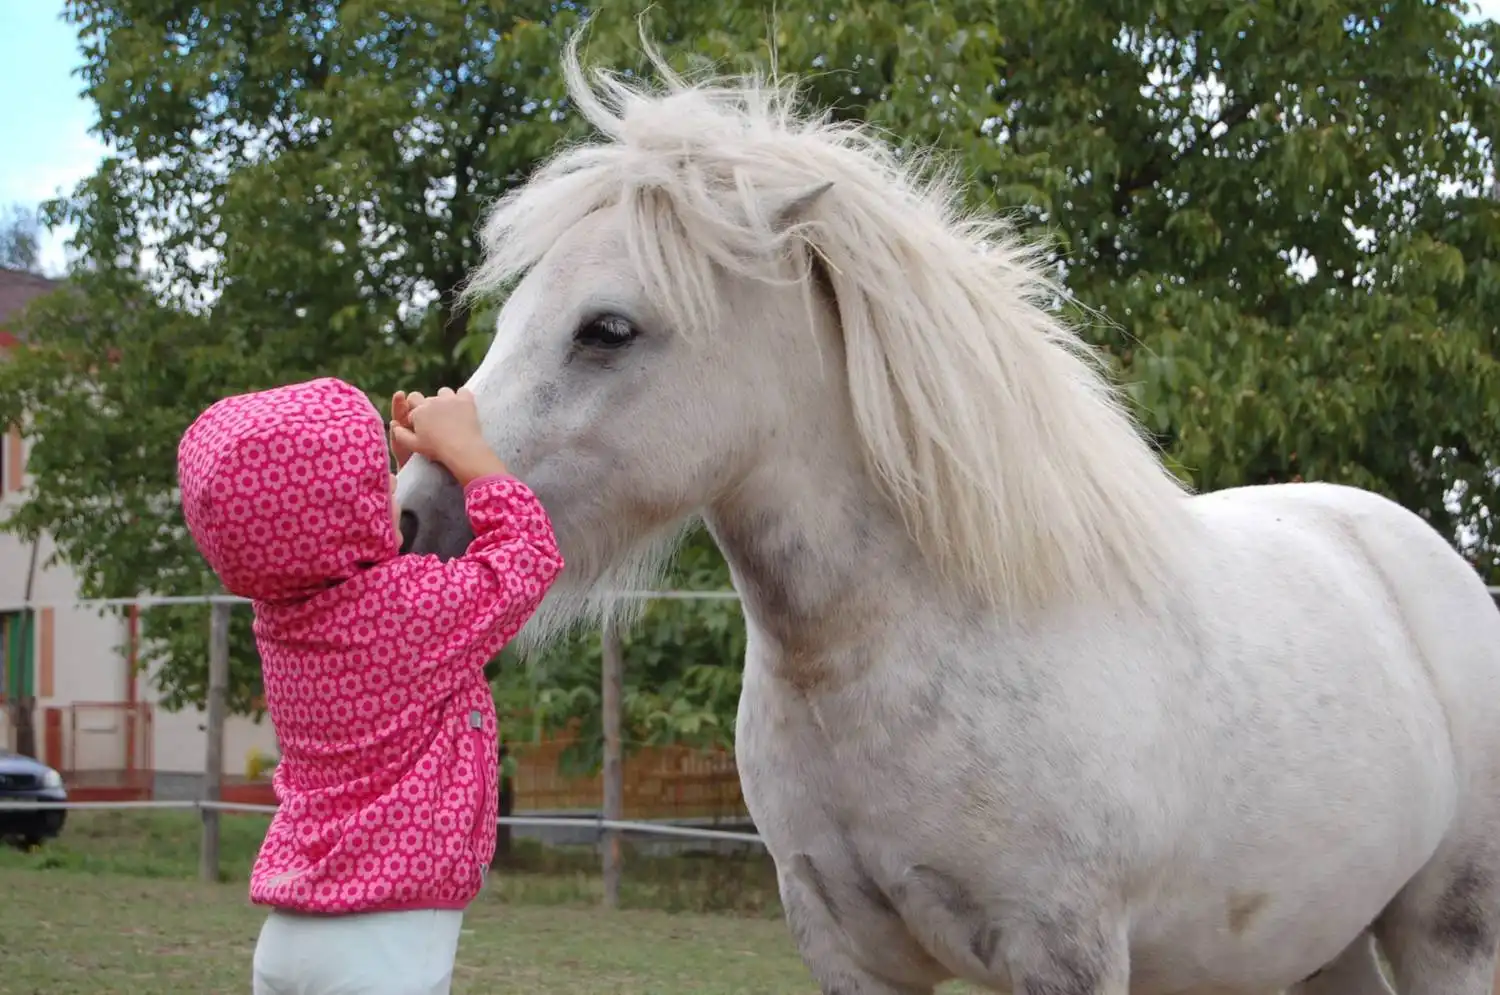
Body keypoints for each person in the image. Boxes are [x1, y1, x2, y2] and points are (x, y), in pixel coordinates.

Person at [176, 377, 563, 995]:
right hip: (382, 949)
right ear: (337, 517)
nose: (387, 487)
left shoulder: (283, 617)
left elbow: (385, 572)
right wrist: (466, 453)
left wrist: (420, 472)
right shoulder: (405, 616)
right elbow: (526, 554)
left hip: (292, 934)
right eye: (376, 483)